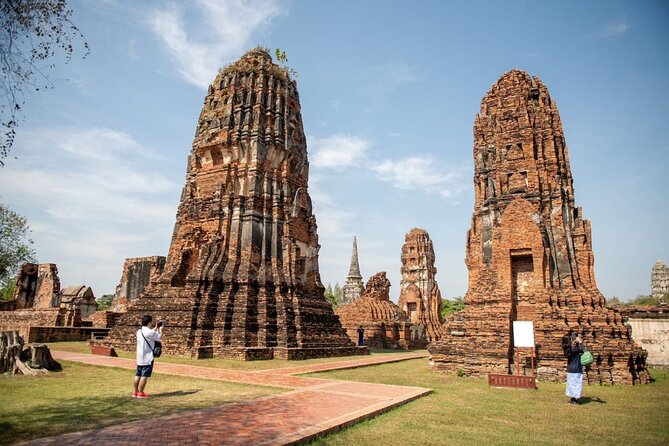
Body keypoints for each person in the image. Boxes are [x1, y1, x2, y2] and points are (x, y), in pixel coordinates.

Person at [134, 314, 162, 399]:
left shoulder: (139, 331)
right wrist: (160, 329)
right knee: (144, 375)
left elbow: (149, 334)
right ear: (149, 322)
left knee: (138, 374)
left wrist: (155, 328)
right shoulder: (150, 332)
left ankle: (135, 392)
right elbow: (158, 337)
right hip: (147, 357)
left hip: (139, 357)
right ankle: (141, 392)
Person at [562, 330, 585, 405]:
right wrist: (580, 342)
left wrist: (577, 343)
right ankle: (573, 400)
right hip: (576, 368)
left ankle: (572, 399)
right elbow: (583, 350)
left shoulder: (568, 349)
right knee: (576, 384)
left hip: (570, 368)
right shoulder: (574, 349)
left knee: (572, 384)